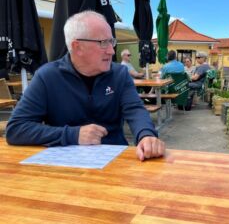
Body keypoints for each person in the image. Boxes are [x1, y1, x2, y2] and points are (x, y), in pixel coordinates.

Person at [6, 10, 165, 161]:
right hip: (63, 166)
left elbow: (135, 110)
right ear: (77, 47)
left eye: (111, 41)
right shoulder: (47, 77)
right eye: (103, 43)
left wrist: (146, 135)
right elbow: (16, 129)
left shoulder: (119, 74)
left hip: (116, 164)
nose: (111, 51)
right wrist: (73, 135)